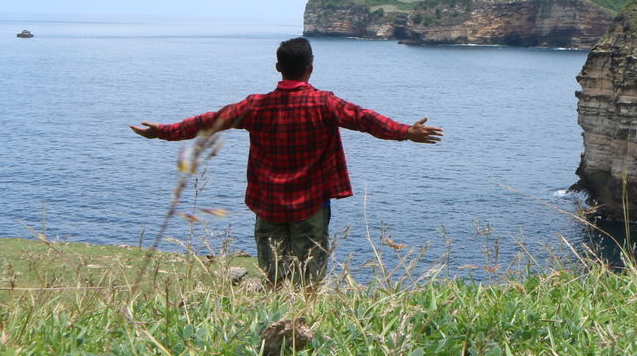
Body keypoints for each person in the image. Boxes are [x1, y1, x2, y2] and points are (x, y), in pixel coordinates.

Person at [131, 36, 442, 285]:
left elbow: (208, 121)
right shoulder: (324, 103)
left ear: (277, 67)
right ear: (311, 67)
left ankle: (276, 332)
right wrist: (405, 132)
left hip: (268, 204)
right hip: (312, 205)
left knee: (275, 278)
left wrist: (163, 132)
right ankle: (303, 338)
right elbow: (367, 120)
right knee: (309, 280)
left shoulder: (255, 106)